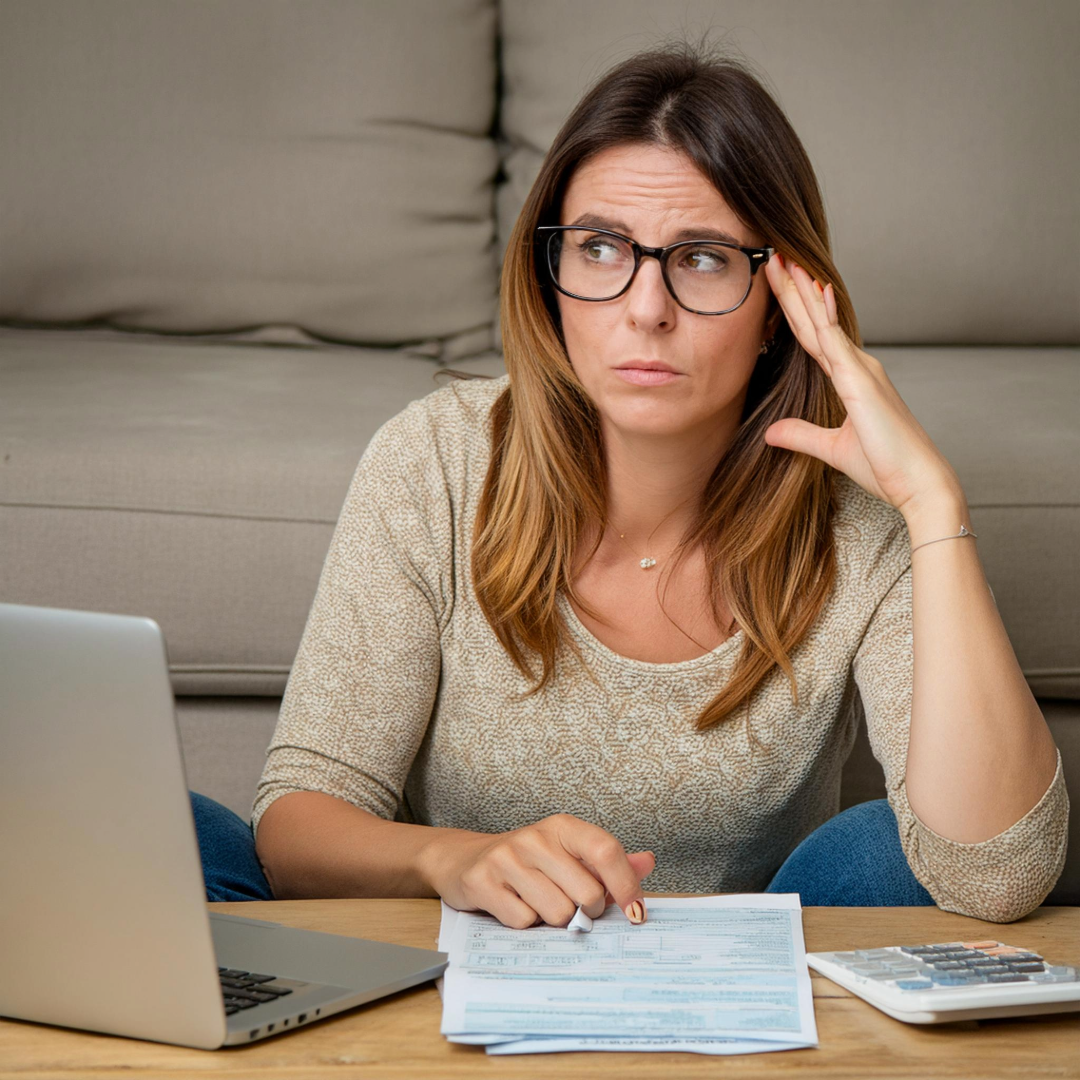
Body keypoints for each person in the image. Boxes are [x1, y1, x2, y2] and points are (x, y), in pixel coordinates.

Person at [194, 43, 1068, 922]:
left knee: (885, 852)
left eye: (701, 258)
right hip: (462, 956)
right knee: (184, 833)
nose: (646, 309)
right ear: (552, 277)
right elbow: (299, 823)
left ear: (779, 305)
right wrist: (453, 861)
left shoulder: (859, 510)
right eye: (603, 248)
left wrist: (930, 504)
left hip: (751, 970)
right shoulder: (434, 460)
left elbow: (994, 877)